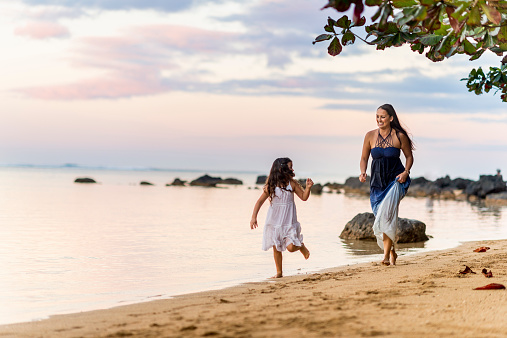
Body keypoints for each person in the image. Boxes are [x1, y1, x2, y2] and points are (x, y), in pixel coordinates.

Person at [359, 104, 414, 266]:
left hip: (395, 181)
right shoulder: (369, 136)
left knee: (388, 217)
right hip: (376, 183)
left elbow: (409, 157)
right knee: (380, 218)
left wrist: (406, 172)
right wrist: (363, 171)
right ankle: (392, 252)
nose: (379, 119)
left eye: (382, 116)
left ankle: (384, 257)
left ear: (391, 118)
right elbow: (364, 158)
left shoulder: (399, 136)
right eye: (377, 116)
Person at [250, 157, 313, 278]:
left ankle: (301, 246)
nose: (292, 169)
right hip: (274, 222)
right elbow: (259, 202)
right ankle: (279, 272)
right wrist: (254, 217)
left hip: (289, 222)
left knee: (291, 247)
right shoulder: (271, 186)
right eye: (290, 167)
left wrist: (308, 188)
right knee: (276, 248)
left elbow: (304, 197)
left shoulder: (292, 184)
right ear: (281, 169)